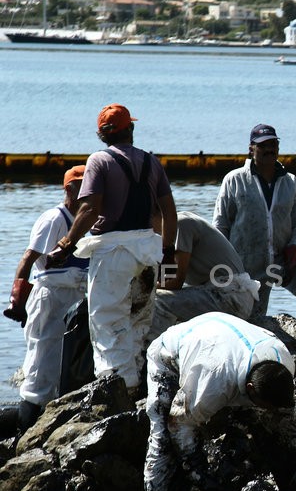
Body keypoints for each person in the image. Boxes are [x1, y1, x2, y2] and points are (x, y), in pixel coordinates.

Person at [46, 104, 177, 396]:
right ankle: (137, 389)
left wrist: (65, 245)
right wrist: (167, 251)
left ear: (101, 135)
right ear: (131, 128)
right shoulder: (151, 162)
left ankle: (115, 391)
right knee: (138, 323)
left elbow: (90, 209)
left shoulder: (99, 160)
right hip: (146, 250)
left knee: (107, 322)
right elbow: (169, 210)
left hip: (113, 253)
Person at [142, 311, 296, 491]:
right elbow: (179, 424)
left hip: (222, 337)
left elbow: (289, 417)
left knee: (280, 422)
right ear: (250, 390)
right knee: (163, 441)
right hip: (170, 355)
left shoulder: (283, 362)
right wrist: (198, 472)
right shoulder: (212, 382)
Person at [4, 166, 89, 434]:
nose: (87, 193)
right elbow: (28, 259)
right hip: (50, 299)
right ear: (68, 189)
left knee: (63, 370)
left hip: (73, 301)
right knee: (41, 368)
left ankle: (45, 426)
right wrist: (17, 301)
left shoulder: (86, 222)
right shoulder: (54, 219)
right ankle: (24, 432)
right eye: (81, 187)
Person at [213, 124, 296, 323]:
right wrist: (224, 264)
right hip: (245, 266)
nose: (269, 149)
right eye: (263, 146)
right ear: (251, 148)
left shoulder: (291, 182)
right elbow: (220, 227)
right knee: (249, 320)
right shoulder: (233, 180)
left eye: (273, 144)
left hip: (282, 261)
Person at [147, 211, 261, 341]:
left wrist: (146, 289)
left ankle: (149, 352)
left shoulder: (181, 224)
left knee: (157, 301)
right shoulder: (170, 236)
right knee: (157, 298)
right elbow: (163, 278)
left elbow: (176, 282)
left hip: (230, 296)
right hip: (229, 295)